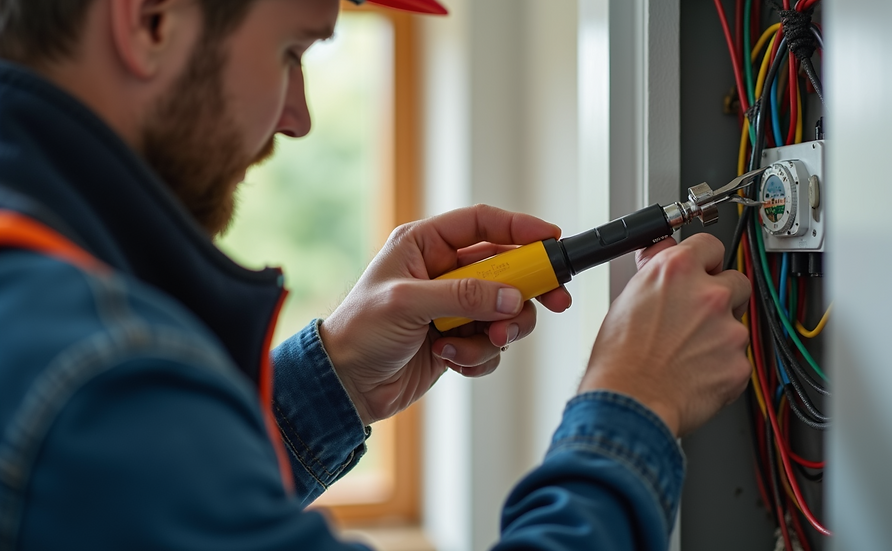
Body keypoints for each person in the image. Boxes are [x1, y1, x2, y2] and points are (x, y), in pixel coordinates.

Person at [0, 0, 752, 549]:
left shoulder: (43, 319)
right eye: (292, 52)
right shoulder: (93, 380)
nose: (297, 119)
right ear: (151, 20)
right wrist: (633, 401)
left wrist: (334, 381)